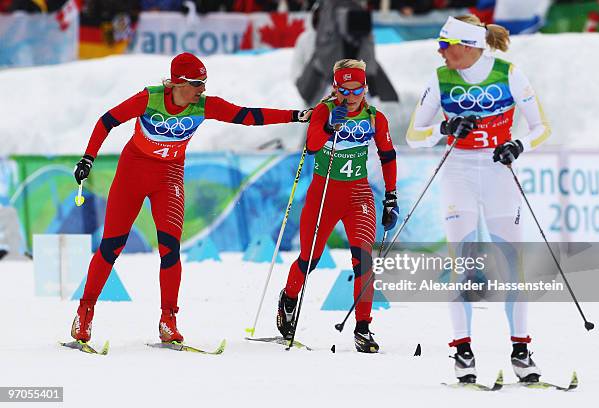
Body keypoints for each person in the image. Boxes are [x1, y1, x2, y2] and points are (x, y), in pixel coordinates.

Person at [70, 52, 311, 345]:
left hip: (168, 177)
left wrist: (297, 116)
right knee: (111, 246)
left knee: (170, 249)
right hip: (132, 174)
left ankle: (168, 319)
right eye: (197, 83)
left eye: (204, 83)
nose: (203, 90)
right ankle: (85, 313)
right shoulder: (150, 98)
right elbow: (106, 121)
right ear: (176, 82)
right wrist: (88, 158)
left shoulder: (204, 106)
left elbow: (247, 116)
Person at [406, 15, 551, 382]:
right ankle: (463, 352)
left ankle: (521, 350)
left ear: (468, 47)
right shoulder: (439, 80)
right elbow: (412, 135)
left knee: (512, 266)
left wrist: (517, 145)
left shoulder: (509, 72)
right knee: (463, 264)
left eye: (446, 47)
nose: (440, 53)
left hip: (498, 172)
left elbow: (541, 128)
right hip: (458, 173)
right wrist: (444, 127)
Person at [277, 59, 398, 353]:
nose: (350, 96)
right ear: (335, 88)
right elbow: (314, 144)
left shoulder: (374, 118)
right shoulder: (324, 111)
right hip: (323, 195)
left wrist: (391, 196)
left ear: (365, 88)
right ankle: (289, 299)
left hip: (358, 195)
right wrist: (331, 126)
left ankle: (363, 328)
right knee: (309, 259)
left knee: (363, 260)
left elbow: (388, 155)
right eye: (344, 89)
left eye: (356, 89)